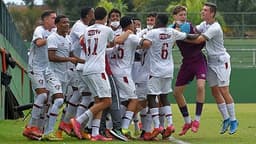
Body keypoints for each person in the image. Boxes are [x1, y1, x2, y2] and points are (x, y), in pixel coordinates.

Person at [70, 7, 132, 141]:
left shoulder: (87, 30)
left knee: (98, 101)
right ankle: (79, 121)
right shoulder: (107, 29)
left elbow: (82, 43)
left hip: (86, 68)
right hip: (98, 69)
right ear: (105, 18)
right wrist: (128, 32)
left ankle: (95, 133)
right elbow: (115, 41)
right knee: (107, 101)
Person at [186, 2, 238, 135]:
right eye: (202, 10)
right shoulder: (204, 24)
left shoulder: (215, 27)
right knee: (215, 92)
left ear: (212, 13)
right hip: (211, 62)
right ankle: (226, 119)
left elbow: (199, 40)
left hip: (221, 62)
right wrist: (182, 26)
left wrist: (182, 37)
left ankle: (233, 120)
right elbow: (194, 30)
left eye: (205, 10)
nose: (202, 12)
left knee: (224, 90)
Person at [23, 10, 64, 141]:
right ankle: (30, 126)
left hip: (47, 70)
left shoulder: (53, 33)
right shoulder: (39, 30)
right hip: (35, 68)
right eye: (53, 18)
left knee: (47, 100)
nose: (55, 20)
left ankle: (38, 129)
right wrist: (51, 39)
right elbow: (39, 43)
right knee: (42, 95)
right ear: (45, 20)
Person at [57, 7, 95, 140]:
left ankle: (69, 125)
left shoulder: (84, 27)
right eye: (92, 13)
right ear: (87, 15)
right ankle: (70, 125)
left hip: (80, 64)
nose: (93, 15)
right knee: (81, 96)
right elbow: (85, 41)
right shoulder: (80, 27)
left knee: (80, 95)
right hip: (75, 66)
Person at [170, 5, 207, 136]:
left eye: (185, 14)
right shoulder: (171, 28)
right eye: (180, 15)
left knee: (201, 86)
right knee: (177, 93)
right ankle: (187, 121)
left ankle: (197, 120)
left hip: (198, 60)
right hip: (186, 62)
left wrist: (178, 33)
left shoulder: (187, 26)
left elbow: (194, 36)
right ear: (174, 16)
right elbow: (171, 43)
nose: (183, 17)